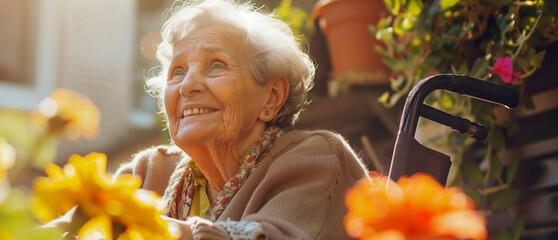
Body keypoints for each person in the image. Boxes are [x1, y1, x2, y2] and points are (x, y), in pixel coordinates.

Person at [114, 0, 370, 239]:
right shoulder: (148, 172)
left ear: (271, 97)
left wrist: (141, 225)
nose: (187, 85)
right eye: (177, 71)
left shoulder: (317, 159)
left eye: (216, 65)